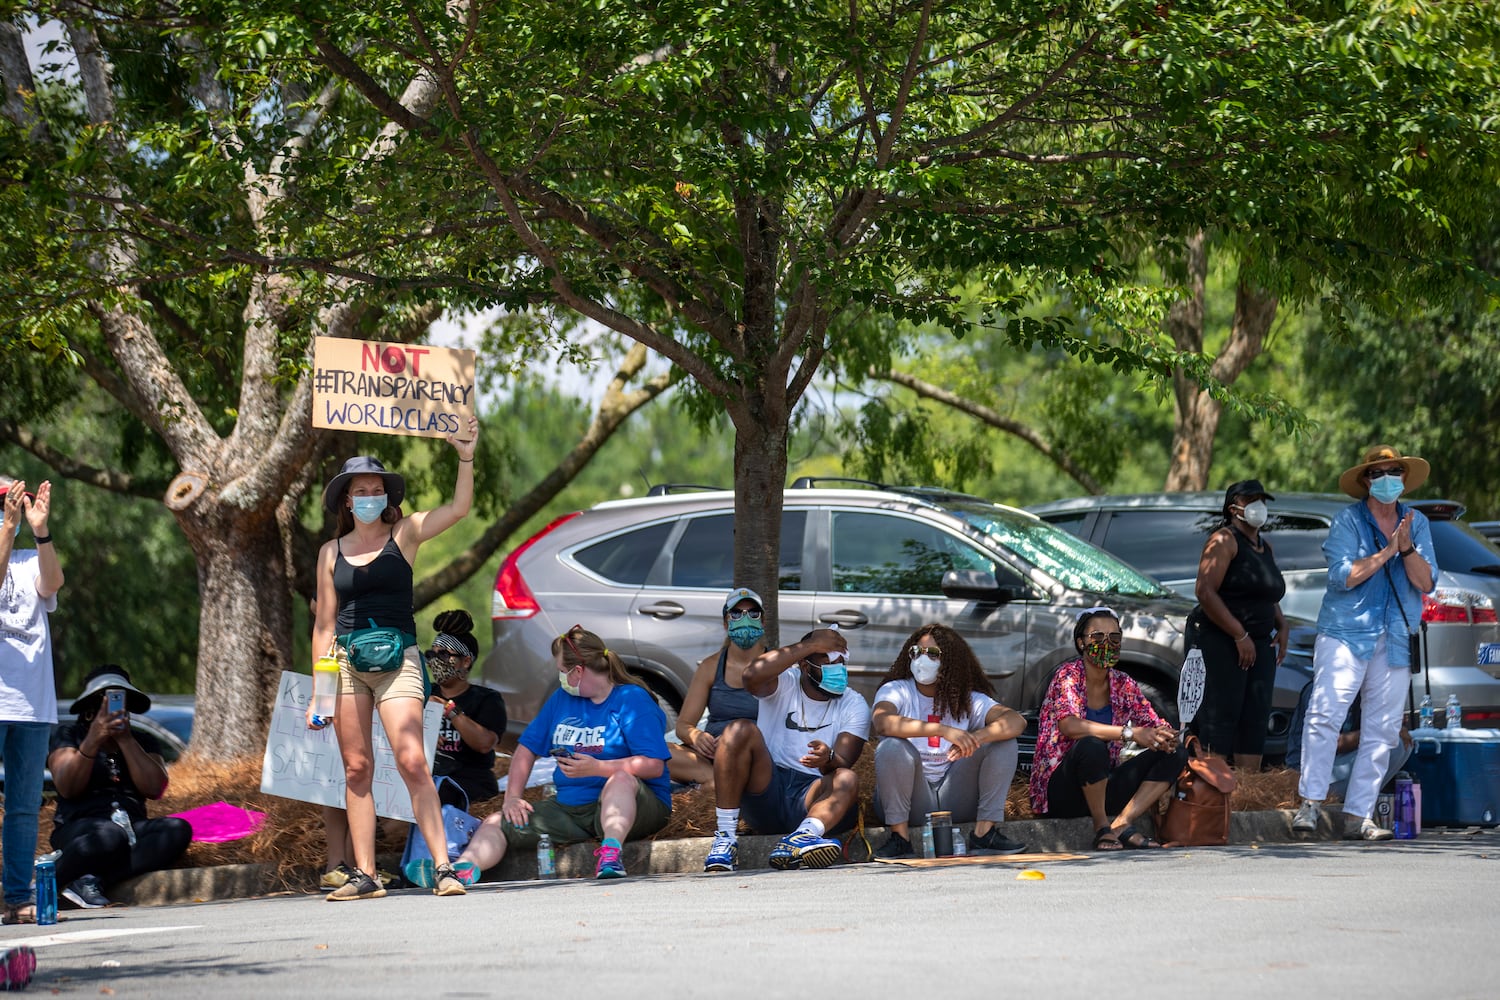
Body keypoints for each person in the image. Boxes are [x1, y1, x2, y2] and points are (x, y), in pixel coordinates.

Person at [311, 421, 479, 900]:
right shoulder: (329, 552)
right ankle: (365, 874)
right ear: (346, 499)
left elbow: (459, 508)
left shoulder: (403, 533)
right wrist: (320, 696)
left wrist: (465, 457)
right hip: (345, 665)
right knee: (356, 768)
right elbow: (324, 626)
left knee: (411, 761)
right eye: (359, 491)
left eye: (376, 489)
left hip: (398, 658)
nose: (368, 496)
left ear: (385, 496)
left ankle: (444, 868)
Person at [1293, 445, 1437, 841]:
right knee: (1325, 714)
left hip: (1394, 635)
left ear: (1403, 479)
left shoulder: (1416, 522)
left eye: (1395, 471)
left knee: (1384, 729)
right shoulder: (1347, 521)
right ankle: (1310, 804)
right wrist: (1387, 550)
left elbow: (1426, 582)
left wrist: (1405, 547)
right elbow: (1343, 576)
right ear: (1367, 481)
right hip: (1345, 632)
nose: (1388, 478)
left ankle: (1359, 815)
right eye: (1379, 472)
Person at [451, 625, 671, 881]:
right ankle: (461, 871)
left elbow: (653, 765)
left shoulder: (631, 699)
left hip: (636, 806)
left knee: (620, 779)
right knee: (495, 822)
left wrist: (598, 768)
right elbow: (526, 750)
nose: (561, 678)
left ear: (578, 671)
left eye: (562, 672)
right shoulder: (561, 699)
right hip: (570, 809)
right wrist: (512, 797)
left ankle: (611, 854)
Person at [703, 628, 870, 873]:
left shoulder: (854, 703)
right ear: (805, 665)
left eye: (841, 662)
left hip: (812, 797)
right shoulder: (785, 681)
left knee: (846, 778)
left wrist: (828, 758)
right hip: (768, 790)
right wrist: (809, 645)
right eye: (828, 660)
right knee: (739, 729)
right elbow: (751, 676)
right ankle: (725, 838)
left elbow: (844, 761)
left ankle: (803, 837)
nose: (838, 668)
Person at [1030, 608, 1186, 849]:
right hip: (1062, 791)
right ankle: (1102, 827)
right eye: (1098, 637)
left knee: (1175, 753)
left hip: (1104, 785)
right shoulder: (1068, 675)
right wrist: (1130, 733)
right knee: (1091, 745)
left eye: (1114, 638)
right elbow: (1070, 726)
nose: (1107, 644)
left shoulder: (1124, 683)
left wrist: (1165, 736)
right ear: (1081, 642)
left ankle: (1122, 823)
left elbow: (1153, 722)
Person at [871, 624, 1027, 857]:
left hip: (955, 795)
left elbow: (1016, 721)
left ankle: (985, 833)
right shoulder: (896, 690)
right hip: (911, 800)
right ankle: (900, 838)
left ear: (952, 661)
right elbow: (883, 722)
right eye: (916, 652)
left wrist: (976, 736)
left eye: (932, 653)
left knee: (1002, 741)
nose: (922, 659)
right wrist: (943, 730)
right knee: (891, 746)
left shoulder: (967, 699)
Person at [45, 666, 192, 908]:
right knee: (109, 835)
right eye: (107, 700)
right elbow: (67, 786)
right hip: (82, 829)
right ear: (91, 705)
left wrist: (126, 740)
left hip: (130, 827)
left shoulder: (141, 740)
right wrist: (94, 739)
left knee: (177, 829)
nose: (114, 707)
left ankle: (91, 881)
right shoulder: (69, 734)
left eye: (120, 699)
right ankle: (46, 881)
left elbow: (155, 788)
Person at [1186, 479, 1289, 773]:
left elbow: (1266, 592)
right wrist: (1238, 634)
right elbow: (1205, 591)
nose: (1258, 506)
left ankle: (1246, 787)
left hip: (1259, 642)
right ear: (1234, 508)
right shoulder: (1223, 540)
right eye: (1250, 500)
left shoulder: (1264, 546)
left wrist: (1281, 625)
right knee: (1221, 715)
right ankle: (1211, 786)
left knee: (1255, 716)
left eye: (1262, 499)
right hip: (1222, 640)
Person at [0, 476, 63, 925]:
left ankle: (17, 897)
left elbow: (53, 581)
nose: (12, 510)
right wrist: (7, 530)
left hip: (32, 705)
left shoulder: (28, 558)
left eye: (13, 502)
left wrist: (40, 531)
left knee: (24, 808)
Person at [669, 587, 767, 787]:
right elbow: (683, 725)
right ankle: (716, 783)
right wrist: (697, 737)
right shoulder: (710, 667)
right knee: (658, 753)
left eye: (753, 613)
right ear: (725, 622)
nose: (744, 618)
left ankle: (714, 786)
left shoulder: (777, 665)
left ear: (763, 621)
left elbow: (789, 727)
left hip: (756, 755)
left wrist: (737, 739)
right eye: (736, 613)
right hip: (710, 755)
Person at [426, 609, 507, 807]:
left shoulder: (487, 699)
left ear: (466, 661)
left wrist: (449, 709)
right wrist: (423, 732)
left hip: (468, 782)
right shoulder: (422, 693)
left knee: (433, 796)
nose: (436, 661)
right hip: (425, 776)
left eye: (444, 655)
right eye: (431, 655)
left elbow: (484, 743)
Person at [1285, 681, 1413, 801]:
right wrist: (1382, 729)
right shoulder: (1324, 688)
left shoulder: (1364, 690)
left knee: (1405, 742)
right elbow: (1332, 743)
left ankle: (1365, 800)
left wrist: (1393, 725)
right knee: (1390, 746)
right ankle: (1345, 801)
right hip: (1309, 773)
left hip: (1339, 763)